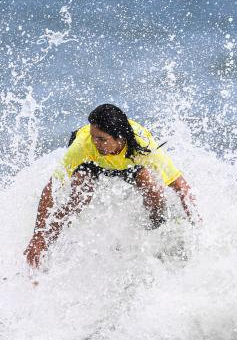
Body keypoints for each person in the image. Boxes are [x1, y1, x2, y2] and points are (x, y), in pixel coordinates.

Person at [24, 104, 197, 269]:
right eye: (93, 136)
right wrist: (38, 235)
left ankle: (156, 238)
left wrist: (197, 224)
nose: (95, 142)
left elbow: (180, 185)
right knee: (79, 196)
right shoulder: (84, 146)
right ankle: (43, 248)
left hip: (127, 163)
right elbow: (51, 188)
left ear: (119, 137)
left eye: (101, 139)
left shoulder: (143, 146)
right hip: (91, 163)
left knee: (153, 191)